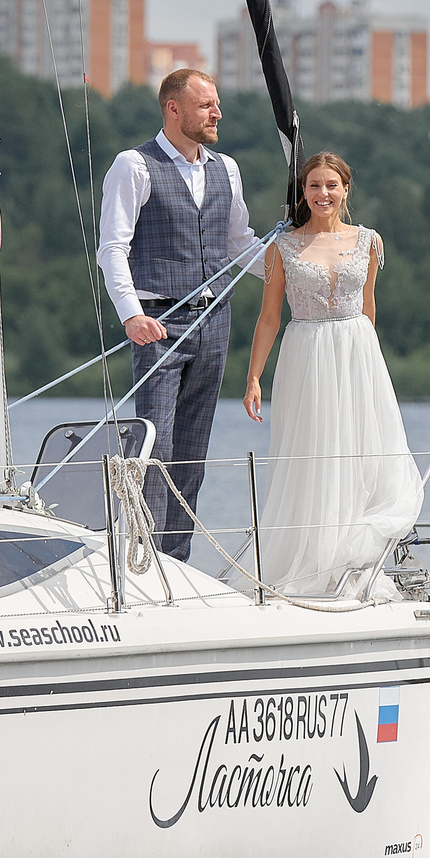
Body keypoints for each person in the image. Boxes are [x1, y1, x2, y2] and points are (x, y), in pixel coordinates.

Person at [96, 68, 265, 561]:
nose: (218, 113)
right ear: (174, 109)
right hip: (157, 323)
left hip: (214, 322)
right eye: (207, 105)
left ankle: (177, 561)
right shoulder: (134, 165)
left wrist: (291, 270)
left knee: (192, 449)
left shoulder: (226, 169)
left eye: (216, 104)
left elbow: (240, 244)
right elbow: (112, 248)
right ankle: (141, 558)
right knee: (154, 444)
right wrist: (131, 315)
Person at [242, 153, 425, 597]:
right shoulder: (281, 246)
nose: (322, 194)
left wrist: (368, 367)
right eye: (313, 186)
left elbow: (369, 306)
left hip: (356, 352)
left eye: (331, 185)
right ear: (302, 192)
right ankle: (310, 559)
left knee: (359, 447)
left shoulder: (369, 241)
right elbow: (268, 318)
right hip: (305, 352)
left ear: (345, 190)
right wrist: (253, 378)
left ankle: (349, 556)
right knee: (312, 449)